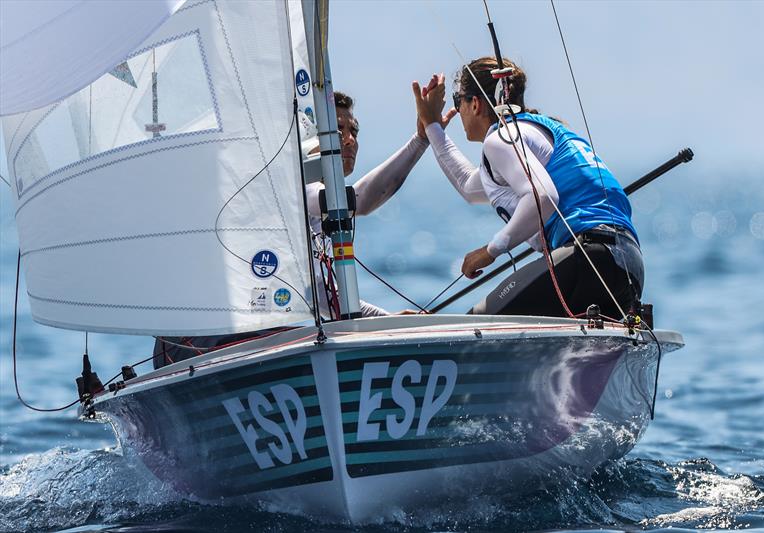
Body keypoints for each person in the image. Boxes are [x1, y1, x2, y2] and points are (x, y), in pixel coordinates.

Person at [153, 90, 431, 368]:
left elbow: (325, 296)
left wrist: (390, 323)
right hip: (189, 346)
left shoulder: (312, 206)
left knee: (322, 340)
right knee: (315, 345)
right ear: (309, 138)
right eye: (338, 130)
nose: (350, 140)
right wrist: (420, 140)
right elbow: (357, 200)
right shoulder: (291, 182)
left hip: (232, 342)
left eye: (354, 131)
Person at [413, 58, 644, 319]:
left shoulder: (502, 138)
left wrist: (490, 251)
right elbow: (469, 187)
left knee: (477, 323)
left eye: (459, 102)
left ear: (475, 104)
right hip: (628, 265)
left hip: (589, 259)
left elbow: (542, 197)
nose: (460, 112)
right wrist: (431, 125)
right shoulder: (536, 130)